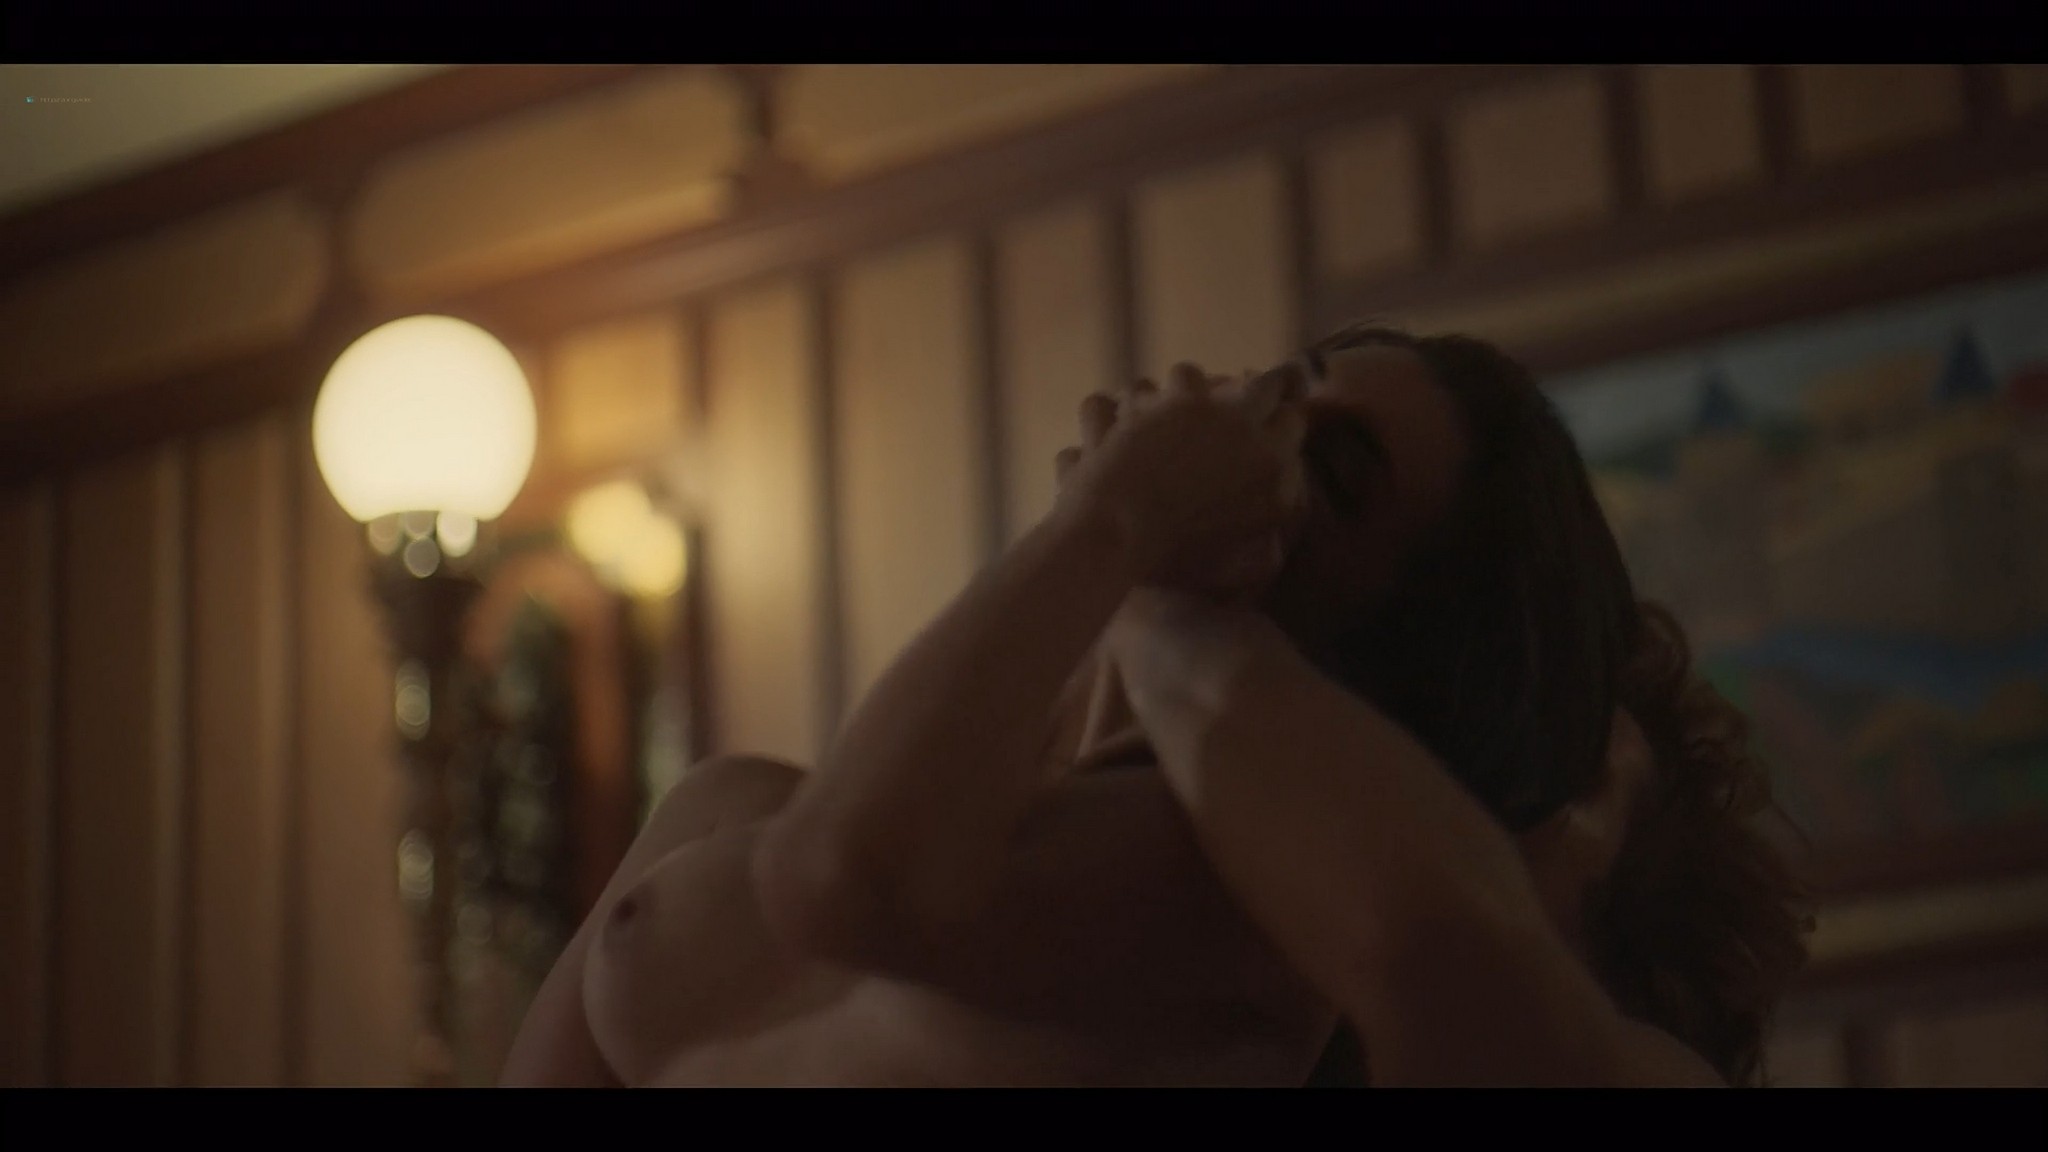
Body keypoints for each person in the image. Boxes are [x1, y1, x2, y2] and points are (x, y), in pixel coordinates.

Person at [499, 327, 1810, 1087]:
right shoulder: (763, 801)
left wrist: (1121, 530)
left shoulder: (1224, 929)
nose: (1254, 435)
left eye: (1330, 470)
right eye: (1281, 394)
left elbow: (844, 878)